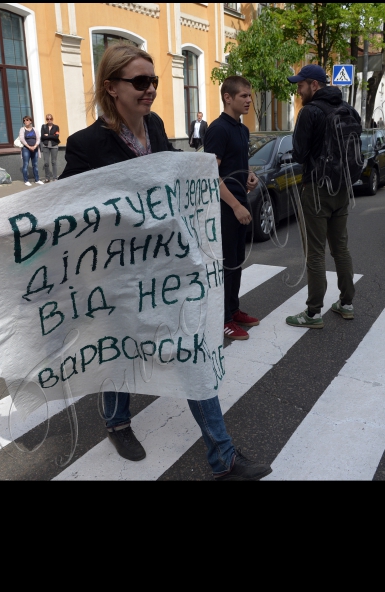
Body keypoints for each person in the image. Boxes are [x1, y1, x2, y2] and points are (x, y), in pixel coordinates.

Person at [59, 43, 271, 481]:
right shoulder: (86, 145)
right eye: (139, 82)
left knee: (191, 350)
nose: (150, 90)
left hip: (164, 272)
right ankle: (117, 422)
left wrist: (204, 173)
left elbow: (168, 175)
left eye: (153, 81)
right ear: (111, 88)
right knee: (122, 350)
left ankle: (223, 457)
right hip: (118, 275)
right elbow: (64, 211)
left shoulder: (154, 126)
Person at [284, 64, 357, 329]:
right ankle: (346, 303)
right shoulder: (349, 110)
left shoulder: (310, 112)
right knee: (341, 248)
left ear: (314, 85)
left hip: (316, 188)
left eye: (301, 86)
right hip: (342, 188)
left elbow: (300, 154)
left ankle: (314, 313)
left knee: (315, 253)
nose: (298, 91)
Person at [203, 76, 260, 341]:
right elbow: (211, 175)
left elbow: (238, 161)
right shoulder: (218, 129)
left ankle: (234, 310)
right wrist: (236, 205)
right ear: (228, 97)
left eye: (250, 96)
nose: (249, 100)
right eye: (244, 96)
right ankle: (223, 319)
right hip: (225, 208)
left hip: (239, 201)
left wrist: (249, 174)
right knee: (225, 265)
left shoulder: (242, 128)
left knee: (237, 262)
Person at [19, 116, 43, 186]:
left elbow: (38, 139)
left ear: (30, 121)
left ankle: (37, 179)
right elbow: (22, 139)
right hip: (26, 149)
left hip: (35, 149)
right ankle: (26, 180)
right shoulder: (22, 129)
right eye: (24, 120)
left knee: (35, 164)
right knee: (26, 164)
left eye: (27, 120)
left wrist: (35, 146)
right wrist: (29, 147)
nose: (25, 121)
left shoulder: (34, 129)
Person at [40, 114, 61, 182]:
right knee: (46, 162)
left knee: (54, 162)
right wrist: (52, 135)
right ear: (46, 119)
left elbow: (56, 137)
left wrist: (48, 135)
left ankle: (54, 177)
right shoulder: (43, 127)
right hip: (45, 146)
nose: (49, 120)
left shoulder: (56, 127)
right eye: (48, 119)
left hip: (54, 146)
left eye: (50, 119)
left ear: (52, 119)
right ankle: (47, 177)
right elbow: (42, 137)